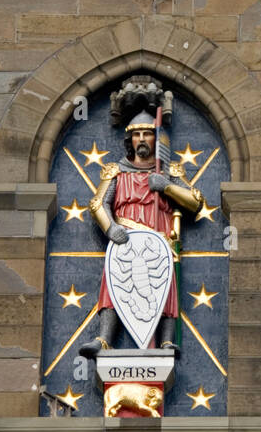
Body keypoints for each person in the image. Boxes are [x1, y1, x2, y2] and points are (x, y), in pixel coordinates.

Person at [78, 111, 202, 357]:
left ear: (156, 139)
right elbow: (97, 204)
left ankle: (167, 341)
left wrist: (166, 186)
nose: (142, 139)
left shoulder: (170, 171)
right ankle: (104, 338)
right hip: (125, 239)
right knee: (114, 286)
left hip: (159, 240)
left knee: (164, 287)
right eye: (137, 135)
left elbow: (195, 201)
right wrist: (111, 227)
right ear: (130, 140)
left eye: (147, 134)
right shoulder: (116, 171)